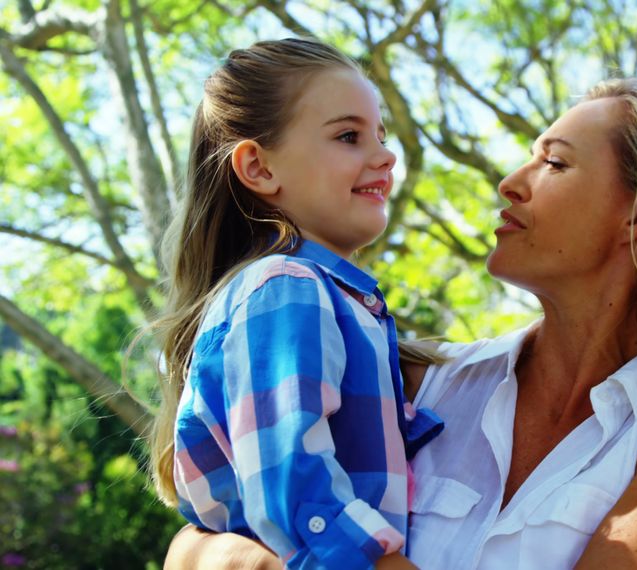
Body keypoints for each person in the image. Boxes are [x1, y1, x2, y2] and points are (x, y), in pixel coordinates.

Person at [164, 77, 637, 569]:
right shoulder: (418, 385)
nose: (509, 182)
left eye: (554, 163)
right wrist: (217, 556)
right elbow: (213, 527)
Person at [149, 38, 442, 570]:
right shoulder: (286, 286)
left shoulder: (332, 299)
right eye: (349, 136)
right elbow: (293, 482)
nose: (385, 154)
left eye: (380, 133)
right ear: (259, 168)